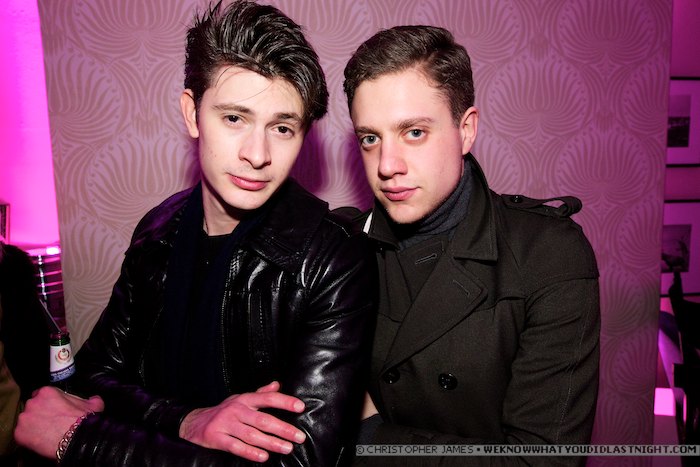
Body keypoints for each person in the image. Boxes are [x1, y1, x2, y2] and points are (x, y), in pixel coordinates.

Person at [15, 1, 376, 465]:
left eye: (282, 128)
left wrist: (84, 440)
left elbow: (298, 462)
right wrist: (186, 419)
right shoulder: (158, 230)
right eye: (234, 118)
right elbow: (94, 379)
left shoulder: (333, 259)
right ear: (192, 113)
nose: (257, 154)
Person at [343, 26, 600, 465]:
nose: (387, 165)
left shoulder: (547, 255)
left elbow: (543, 461)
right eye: (371, 138)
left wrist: (369, 434)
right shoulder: (342, 247)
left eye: (414, 132)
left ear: (466, 130)